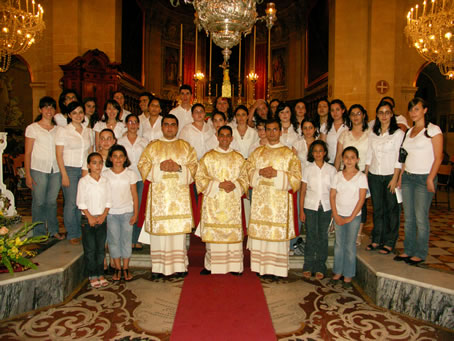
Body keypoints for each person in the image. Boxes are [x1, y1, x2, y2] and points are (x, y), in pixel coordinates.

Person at [137, 114, 198, 279]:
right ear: (162, 127)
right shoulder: (153, 147)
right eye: (166, 124)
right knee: (160, 233)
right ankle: (158, 268)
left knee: (177, 233)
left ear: (177, 127)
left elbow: (193, 168)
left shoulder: (185, 147)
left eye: (173, 124)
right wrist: (160, 167)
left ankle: (179, 266)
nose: (169, 127)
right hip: (160, 199)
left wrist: (178, 168)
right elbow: (142, 166)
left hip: (179, 199)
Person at [246, 119, 302, 278]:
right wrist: (260, 173)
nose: (271, 133)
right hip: (261, 203)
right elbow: (248, 172)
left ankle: (277, 270)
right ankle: (261, 268)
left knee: (277, 235)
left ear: (280, 131)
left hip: (279, 204)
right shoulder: (257, 153)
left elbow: (297, 178)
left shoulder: (288, 153)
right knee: (262, 233)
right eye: (268, 129)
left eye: (274, 129)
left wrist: (278, 174)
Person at [395, 97, 443, 265]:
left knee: (420, 217)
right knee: (408, 217)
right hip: (408, 177)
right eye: (411, 110)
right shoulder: (409, 132)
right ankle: (408, 250)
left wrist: (431, 178)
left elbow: (438, 157)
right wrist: (401, 175)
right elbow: (404, 157)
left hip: (424, 178)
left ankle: (420, 252)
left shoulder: (433, 130)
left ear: (425, 110)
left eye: (416, 109)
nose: (413, 113)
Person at [195, 125, 249, 275]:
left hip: (232, 202)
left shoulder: (238, 158)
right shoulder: (208, 157)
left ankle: (235, 267)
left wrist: (235, 185)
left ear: (232, 138)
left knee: (232, 234)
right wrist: (219, 184)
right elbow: (199, 178)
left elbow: (245, 178)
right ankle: (211, 266)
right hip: (214, 202)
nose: (225, 138)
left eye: (227, 136)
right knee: (214, 233)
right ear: (217, 137)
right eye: (222, 135)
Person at [365, 100, 404, 254]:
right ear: (377, 115)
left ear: (392, 114)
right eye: (381, 112)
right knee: (378, 209)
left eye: (387, 112)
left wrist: (395, 178)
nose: (384, 116)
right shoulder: (372, 133)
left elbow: (398, 158)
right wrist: (366, 176)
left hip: (390, 175)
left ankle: (389, 241)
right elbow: (369, 155)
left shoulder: (398, 133)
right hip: (375, 175)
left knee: (392, 210)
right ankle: (376, 239)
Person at [24, 96, 63, 239]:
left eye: (52, 107)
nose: (49, 110)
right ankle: (39, 233)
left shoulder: (59, 129)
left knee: (51, 202)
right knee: (39, 202)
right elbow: (27, 153)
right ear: (40, 109)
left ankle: (53, 230)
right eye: (46, 107)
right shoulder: (32, 128)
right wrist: (27, 174)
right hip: (38, 168)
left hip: (55, 170)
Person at [55, 101, 93, 244]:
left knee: (81, 201)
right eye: (74, 113)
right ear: (69, 115)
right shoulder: (63, 130)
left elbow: (90, 151)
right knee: (71, 203)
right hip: (69, 169)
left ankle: (80, 230)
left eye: (80, 112)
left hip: (84, 169)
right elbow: (59, 154)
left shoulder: (87, 130)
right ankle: (72, 233)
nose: (78, 115)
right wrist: (63, 174)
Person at [330, 146, 368, 288]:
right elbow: (333, 196)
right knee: (339, 245)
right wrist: (335, 215)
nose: (349, 160)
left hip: (354, 216)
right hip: (338, 214)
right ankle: (338, 271)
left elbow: (361, 199)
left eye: (352, 157)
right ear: (342, 159)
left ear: (357, 159)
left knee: (350, 246)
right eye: (346, 157)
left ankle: (348, 274)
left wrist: (351, 217)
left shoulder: (361, 177)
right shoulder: (337, 176)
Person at [333, 104, 370, 245]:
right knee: (343, 199)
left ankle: (358, 234)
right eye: (353, 114)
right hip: (345, 173)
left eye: (358, 113)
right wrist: (336, 173)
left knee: (362, 202)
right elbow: (338, 155)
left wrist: (365, 174)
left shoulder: (370, 134)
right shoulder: (345, 134)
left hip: (362, 173)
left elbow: (371, 156)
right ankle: (341, 226)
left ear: (364, 115)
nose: (355, 117)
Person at [300, 140, 336, 280]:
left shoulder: (331, 170)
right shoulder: (308, 169)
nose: (318, 153)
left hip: (326, 207)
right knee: (311, 236)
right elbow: (303, 191)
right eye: (315, 151)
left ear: (325, 153)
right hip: (310, 207)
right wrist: (301, 211)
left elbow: (333, 193)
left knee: (323, 236)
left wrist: (334, 211)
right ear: (311, 153)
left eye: (320, 151)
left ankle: (320, 266)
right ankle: (308, 265)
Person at [103, 145, 139, 281]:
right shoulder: (105, 174)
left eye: (121, 156)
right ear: (111, 158)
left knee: (126, 241)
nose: (118, 159)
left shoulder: (130, 174)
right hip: (111, 213)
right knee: (113, 241)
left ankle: (126, 268)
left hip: (127, 212)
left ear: (125, 159)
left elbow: (134, 195)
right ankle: (117, 269)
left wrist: (135, 213)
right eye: (115, 156)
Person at [76, 152, 111, 288]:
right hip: (88, 219)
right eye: (94, 163)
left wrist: (103, 216)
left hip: (101, 218)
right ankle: (92, 275)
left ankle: (100, 274)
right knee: (90, 249)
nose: (98, 166)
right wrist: (90, 216)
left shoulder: (105, 181)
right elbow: (80, 201)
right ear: (89, 165)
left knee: (100, 249)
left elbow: (108, 200)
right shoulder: (84, 181)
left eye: (100, 163)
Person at [118, 114, 148, 251]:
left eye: (135, 122)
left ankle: (136, 238)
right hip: (125, 178)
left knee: (139, 207)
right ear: (126, 124)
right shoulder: (120, 141)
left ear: (138, 125)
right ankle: (127, 238)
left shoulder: (144, 141)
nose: (133, 124)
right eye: (130, 122)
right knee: (127, 207)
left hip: (140, 178)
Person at [321, 99, 348, 164]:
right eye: (332, 110)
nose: (335, 113)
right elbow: (322, 145)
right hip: (329, 162)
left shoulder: (348, 126)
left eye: (337, 110)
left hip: (345, 163)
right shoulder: (325, 126)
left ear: (343, 110)